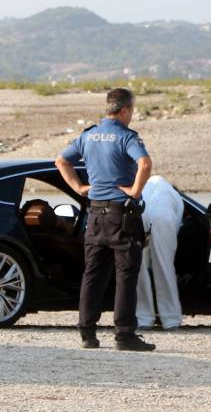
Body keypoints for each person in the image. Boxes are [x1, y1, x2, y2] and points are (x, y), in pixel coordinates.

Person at [55, 87, 154, 351]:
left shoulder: (89, 135)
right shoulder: (126, 137)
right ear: (124, 110)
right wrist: (135, 191)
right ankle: (124, 335)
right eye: (131, 110)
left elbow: (61, 161)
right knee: (125, 274)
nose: (132, 115)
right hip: (121, 214)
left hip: (95, 214)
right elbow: (145, 164)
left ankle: (87, 333)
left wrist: (79, 187)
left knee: (93, 274)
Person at [135, 175, 184, 330]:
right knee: (164, 266)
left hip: (139, 211)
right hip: (163, 215)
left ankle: (143, 318)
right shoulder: (174, 196)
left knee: (137, 267)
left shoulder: (148, 185)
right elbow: (174, 230)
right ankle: (171, 319)